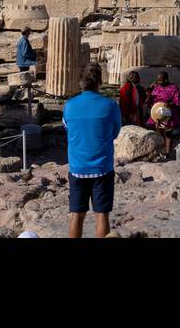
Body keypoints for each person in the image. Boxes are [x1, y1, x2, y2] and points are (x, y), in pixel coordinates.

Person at [63, 62, 121, 238]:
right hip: (102, 168)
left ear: (81, 81)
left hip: (77, 168)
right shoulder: (111, 106)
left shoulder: (69, 106)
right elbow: (115, 132)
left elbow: (67, 129)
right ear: (100, 81)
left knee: (76, 214)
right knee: (102, 215)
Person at [146, 71, 180, 158]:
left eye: (161, 80)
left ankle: (167, 152)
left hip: (167, 114)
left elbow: (178, 101)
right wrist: (149, 89)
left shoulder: (173, 88)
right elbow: (149, 99)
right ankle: (159, 150)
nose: (159, 82)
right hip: (157, 113)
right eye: (158, 80)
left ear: (166, 79)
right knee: (158, 132)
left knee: (168, 133)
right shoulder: (156, 87)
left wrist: (170, 104)